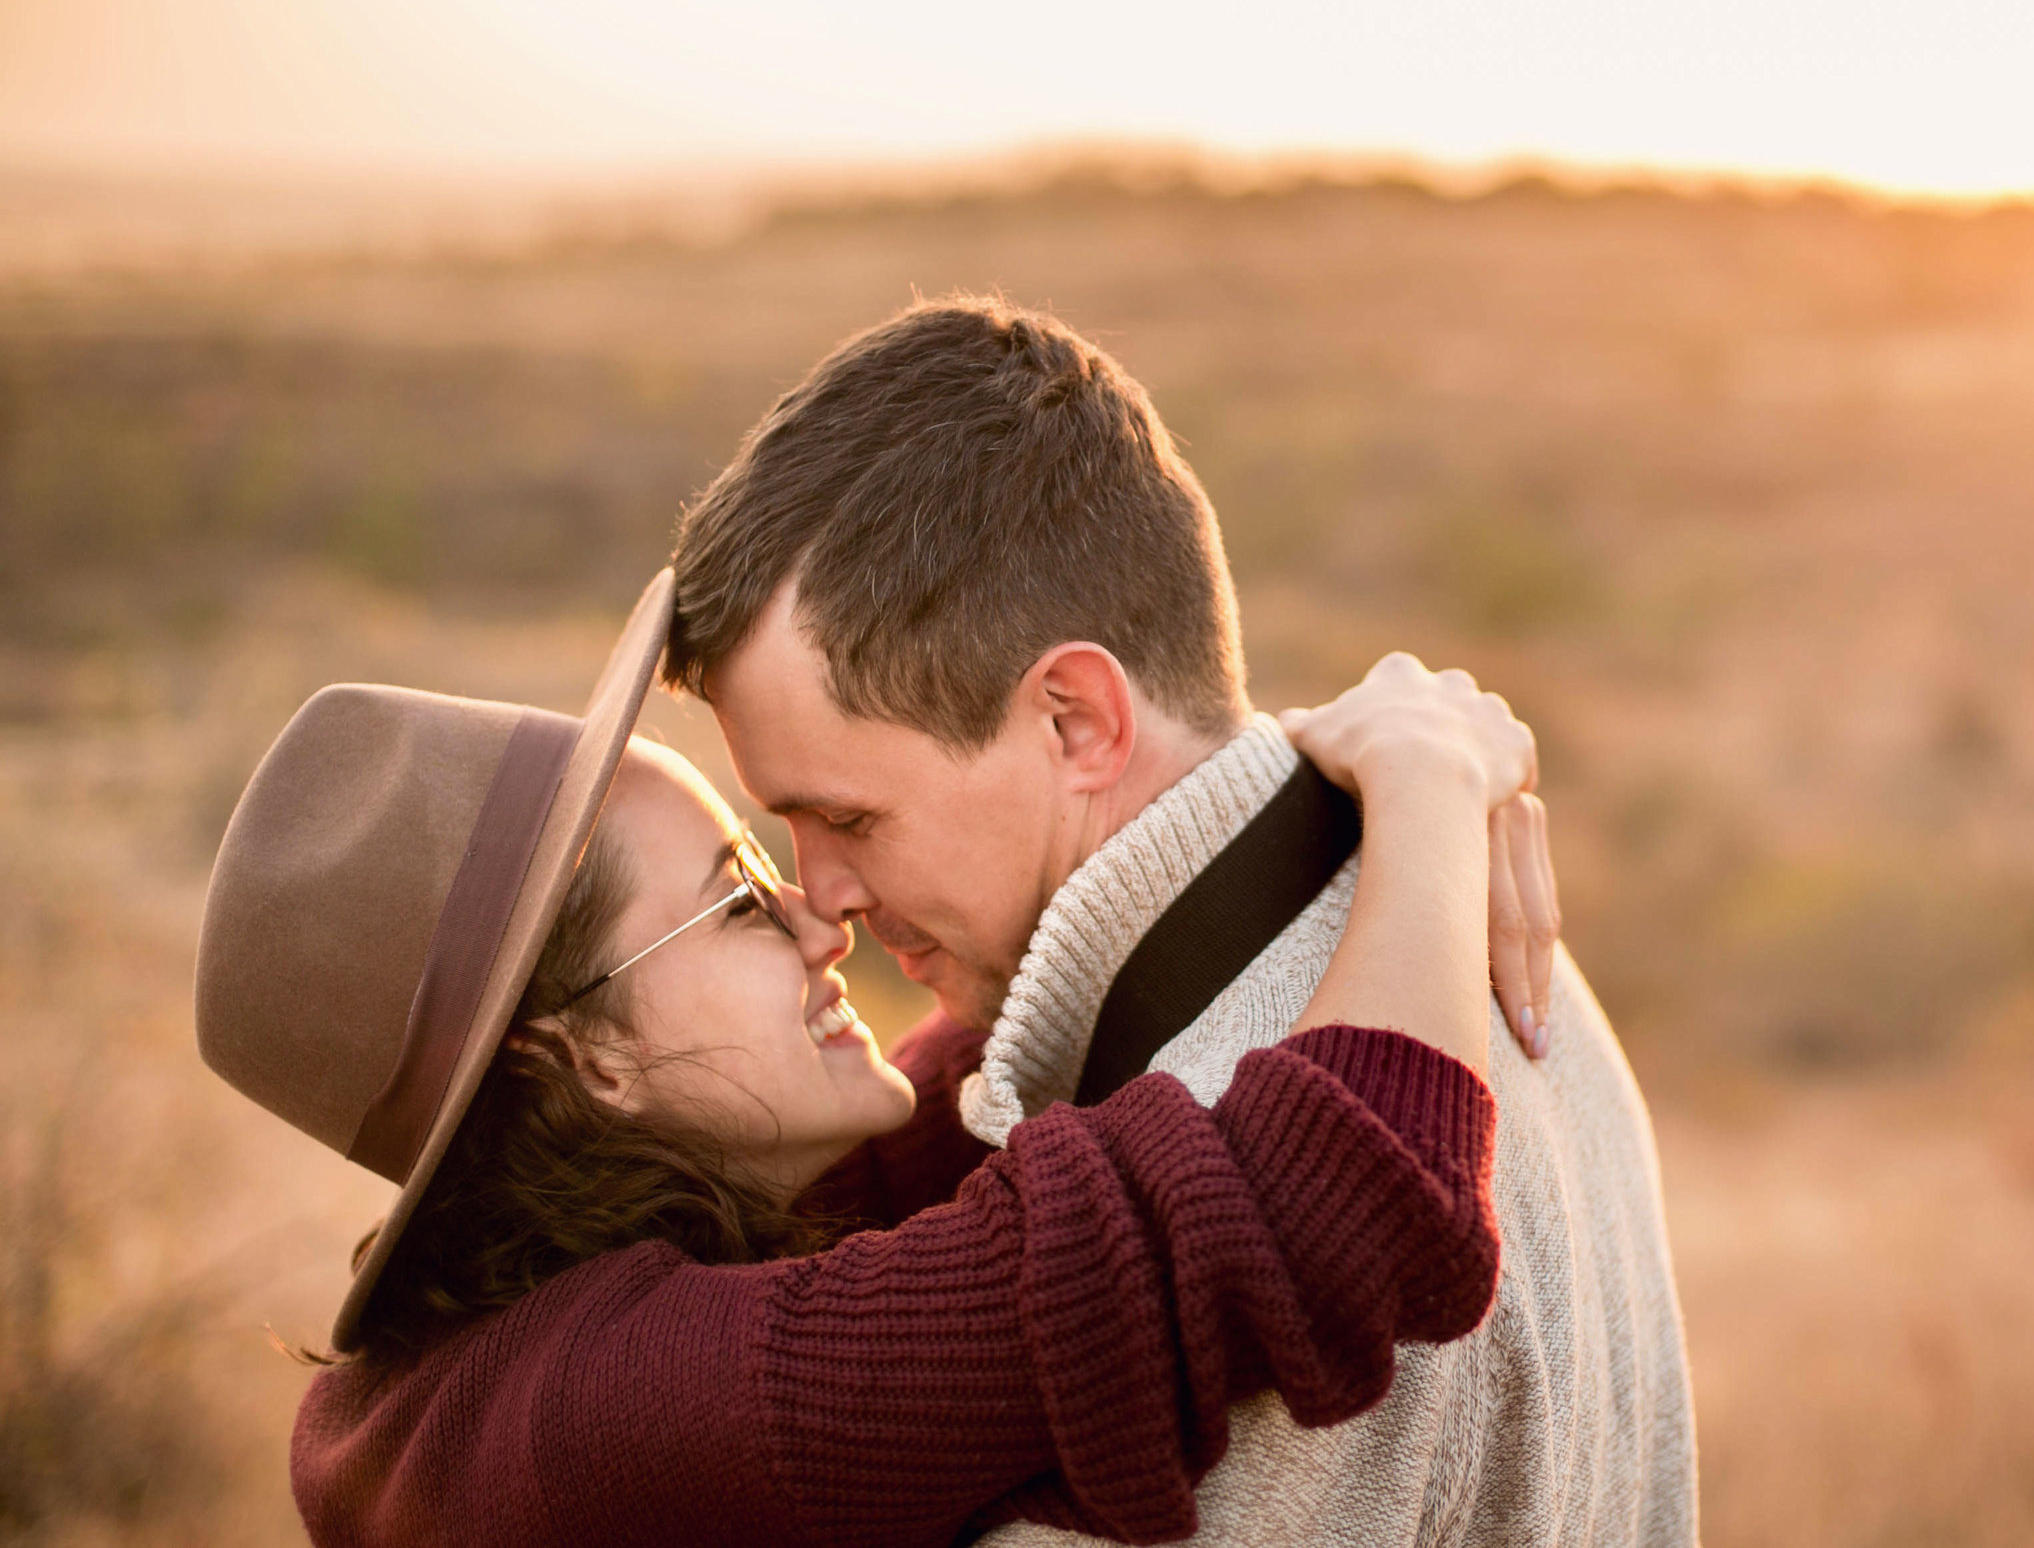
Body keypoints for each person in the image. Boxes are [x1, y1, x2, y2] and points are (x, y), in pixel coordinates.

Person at [194, 572, 1553, 1546]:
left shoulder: (553, 1307)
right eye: (735, 897)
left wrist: (1264, 769)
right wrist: (1429, 782)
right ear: (584, 1062)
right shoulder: (621, 1421)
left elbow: (994, 1068)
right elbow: (1341, 1210)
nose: (818, 914)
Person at [666, 295, 1698, 1546]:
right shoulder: (1445, 911)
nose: (815, 895)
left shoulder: (1242, 1271)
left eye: (850, 819)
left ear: (1078, 722)